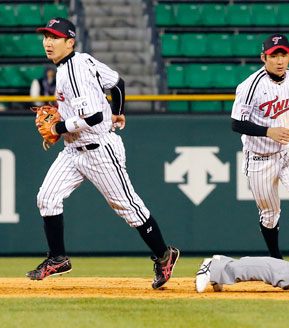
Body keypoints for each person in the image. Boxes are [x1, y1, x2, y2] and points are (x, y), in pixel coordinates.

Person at [28, 17, 179, 289]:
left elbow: (96, 116)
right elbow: (117, 82)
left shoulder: (74, 72)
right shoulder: (82, 61)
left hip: (98, 150)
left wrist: (59, 126)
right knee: (47, 198)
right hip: (73, 150)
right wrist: (119, 112)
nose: (47, 43)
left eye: (54, 38)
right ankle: (57, 258)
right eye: (46, 37)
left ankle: (164, 255)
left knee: (129, 208)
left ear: (69, 42)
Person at [230, 34, 289, 261]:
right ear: (264, 57)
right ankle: (275, 260)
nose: (280, 60)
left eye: (284, 55)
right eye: (274, 55)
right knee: (270, 215)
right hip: (260, 156)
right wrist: (267, 131)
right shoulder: (249, 86)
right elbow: (235, 123)